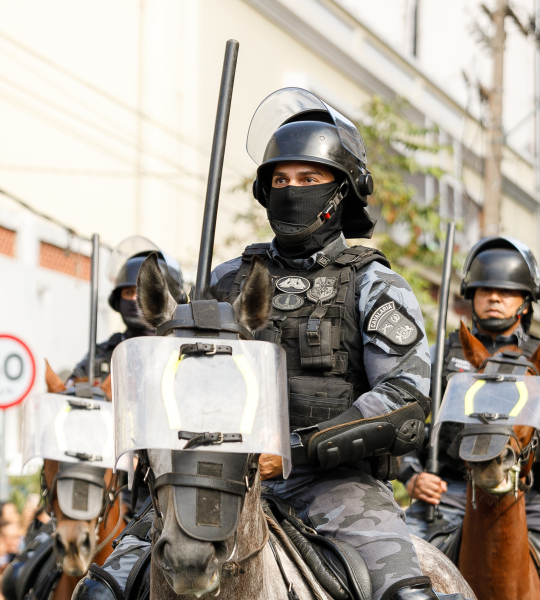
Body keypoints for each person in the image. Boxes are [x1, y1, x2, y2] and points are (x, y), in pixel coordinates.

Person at [79, 88, 464, 600]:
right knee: (100, 590)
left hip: (337, 487)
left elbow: (405, 401)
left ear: (341, 191)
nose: (291, 190)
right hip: (210, 478)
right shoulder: (224, 280)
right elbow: (175, 379)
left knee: (407, 595)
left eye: (308, 179)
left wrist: (293, 450)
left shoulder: (374, 284)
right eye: (280, 180)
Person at [398, 236, 540, 600]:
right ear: (471, 296)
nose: (494, 298)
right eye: (485, 290)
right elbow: (403, 421)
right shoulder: (439, 357)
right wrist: (412, 476)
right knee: (394, 579)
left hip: (531, 494)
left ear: (525, 301)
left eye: (506, 291)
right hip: (452, 493)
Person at [66, 237, 184, 386]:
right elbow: (68, 390)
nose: (135, 299)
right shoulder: (100, 355)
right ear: (117, 301)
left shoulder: (182, 350)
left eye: (143, 292)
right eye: (128, 292)